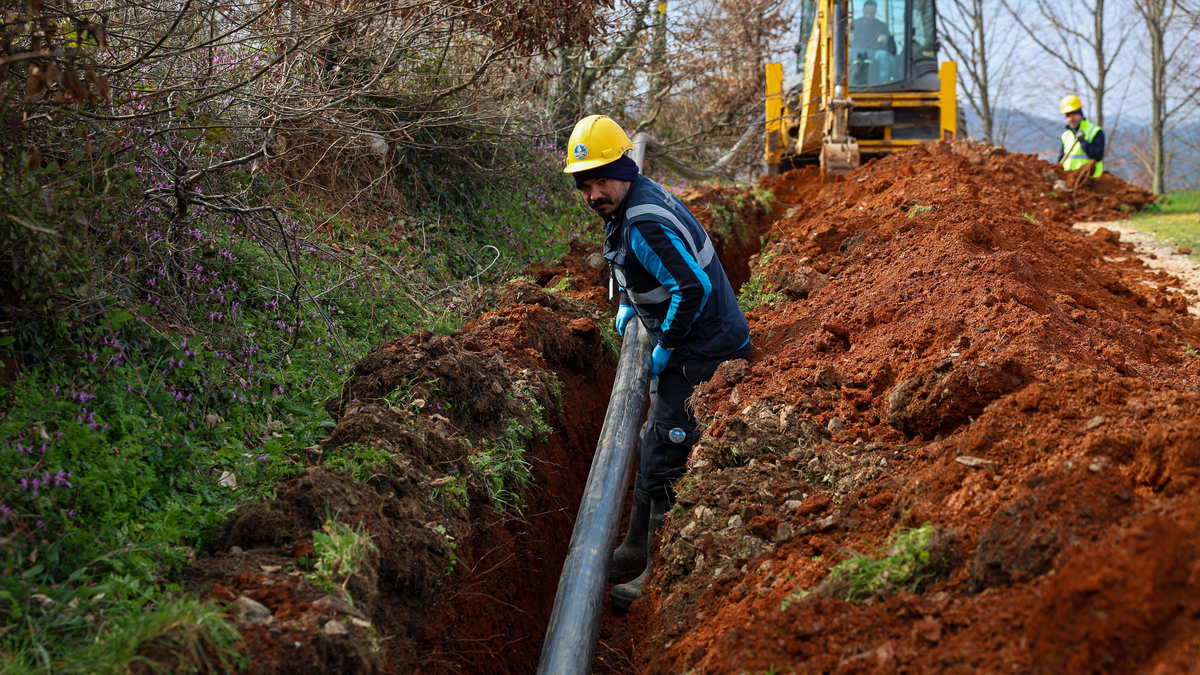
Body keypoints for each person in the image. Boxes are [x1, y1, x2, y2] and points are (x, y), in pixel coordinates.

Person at [563, 115, 751, 611]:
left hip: (703, 347)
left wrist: (664, 342)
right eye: (585, 184)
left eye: (602, 179)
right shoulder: (633, 200)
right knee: (651, 439)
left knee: (668, 445)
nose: (593, 193)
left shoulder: (643, 217)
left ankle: (657, 572)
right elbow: (641, 264)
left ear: (625, 168)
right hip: (693, 337)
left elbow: (692, 287)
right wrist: (628, 301)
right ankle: (635, 545)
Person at [1057, 94, 1105, 178]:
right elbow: (1061, 157)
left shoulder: (1095, 131)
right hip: (1069, 180)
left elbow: (1098, 156)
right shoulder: (1066, 135)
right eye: (1068, 115)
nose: (1071, 118)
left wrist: (1083, 142)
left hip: (1089, 181)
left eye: (1073, 114)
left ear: (1080, 114)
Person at [850, 0, 894, 83]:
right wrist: (848, 38)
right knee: (848, 53)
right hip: (857, 52)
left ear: (875, 12)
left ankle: (884, 83)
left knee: (883, 55)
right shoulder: (854, 24)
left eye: (872, 13)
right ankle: (847, 82)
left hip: (874, 52)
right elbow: (846, 40)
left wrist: (885, 40)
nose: (870, 15)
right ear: (863, 11)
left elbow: (891, 45)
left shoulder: (881, 26)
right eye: (867, 12)